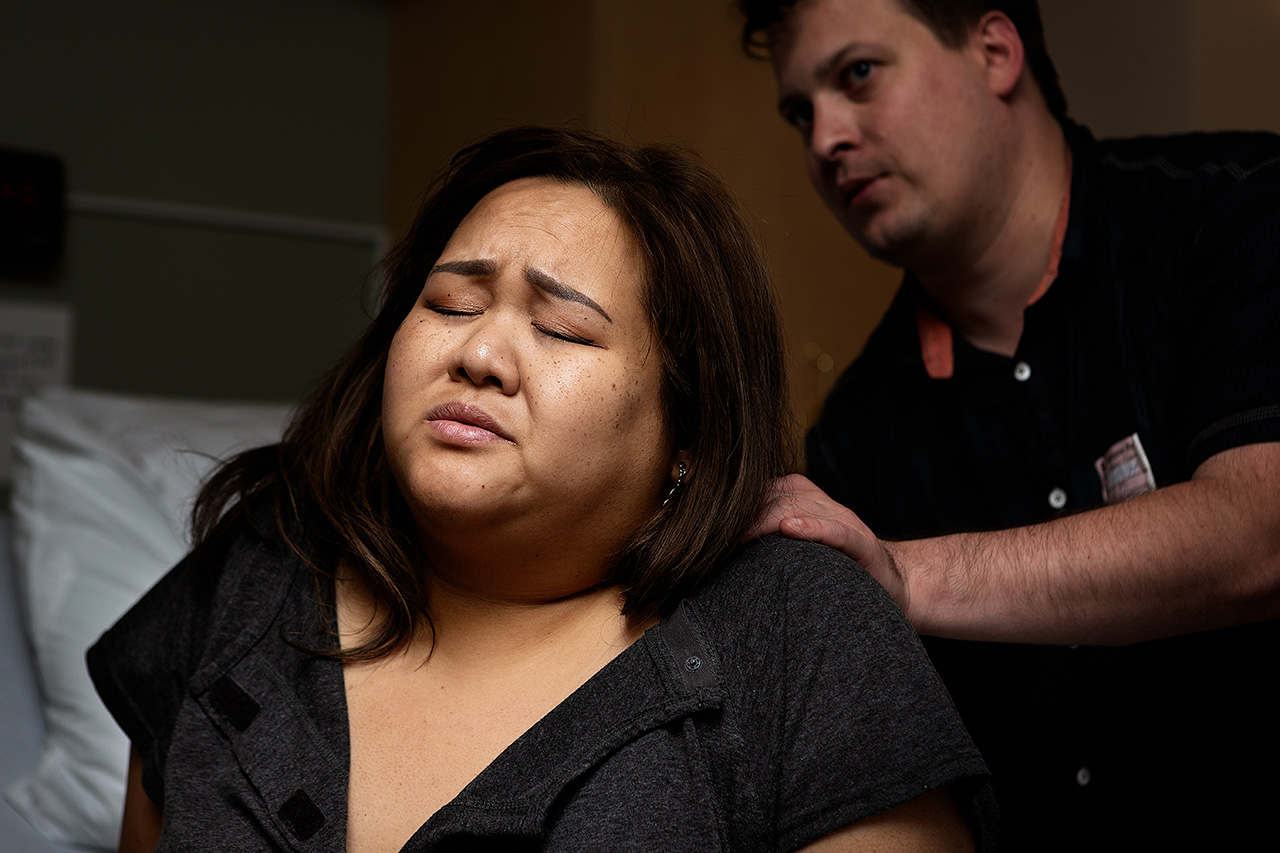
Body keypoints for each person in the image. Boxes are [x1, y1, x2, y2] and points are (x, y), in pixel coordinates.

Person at [87, 126, 995, 852]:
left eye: (562, 328)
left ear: (688, 432)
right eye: (449, 303)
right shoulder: (256, 566)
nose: (478, 354)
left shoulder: (798, 626)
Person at [737, 0, 1280, 848]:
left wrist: (904, 578)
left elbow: (1262, 530)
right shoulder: (856, 433)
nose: (824, 140)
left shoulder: (1237, 213)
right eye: (800, 112)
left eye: (858, 76)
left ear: (994, 52)